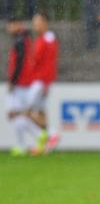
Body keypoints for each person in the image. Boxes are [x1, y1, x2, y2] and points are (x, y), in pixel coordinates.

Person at [5, 16, 41, 157]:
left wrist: (13, 81)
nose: (8, 29)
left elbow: (19, 63)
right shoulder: (24, 38)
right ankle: (22, 144)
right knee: (17, 115)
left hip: (21, 84)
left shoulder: (20, 40)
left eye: (10, 26)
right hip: (24, 83)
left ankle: (40, 135)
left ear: (17, 25)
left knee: (14, 113)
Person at [28, 11, 60, 155]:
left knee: (27, 111)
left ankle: (51, 134)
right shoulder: (42, 39)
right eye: (34, 22)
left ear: (44, 23)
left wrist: (46, 82)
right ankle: (44, 144)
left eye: (38, 22)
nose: (35, 25)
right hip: (39, 80)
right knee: (41, 112)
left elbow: (49, 63)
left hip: (41, 81)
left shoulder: (48, 39)